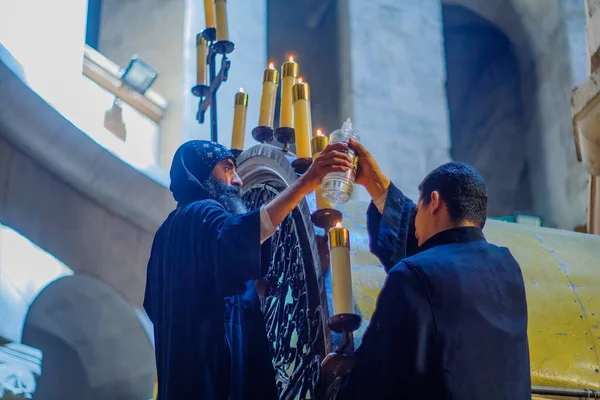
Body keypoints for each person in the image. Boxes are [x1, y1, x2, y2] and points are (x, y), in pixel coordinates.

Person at [144, 139, 353, 400]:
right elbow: (238, 237)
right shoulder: (203, 211)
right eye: (228, 168)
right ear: (200, 171)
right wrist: (305, 183)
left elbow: (189, 295)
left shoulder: (166, 234)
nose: (238, 180)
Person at [322, 139, 531, 399]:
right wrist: (376, 184)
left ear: (433, 201)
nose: (415, 227)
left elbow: (377, 377)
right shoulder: (508, 267)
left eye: (418, 207)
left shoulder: (411, 276)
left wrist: (341, 379)